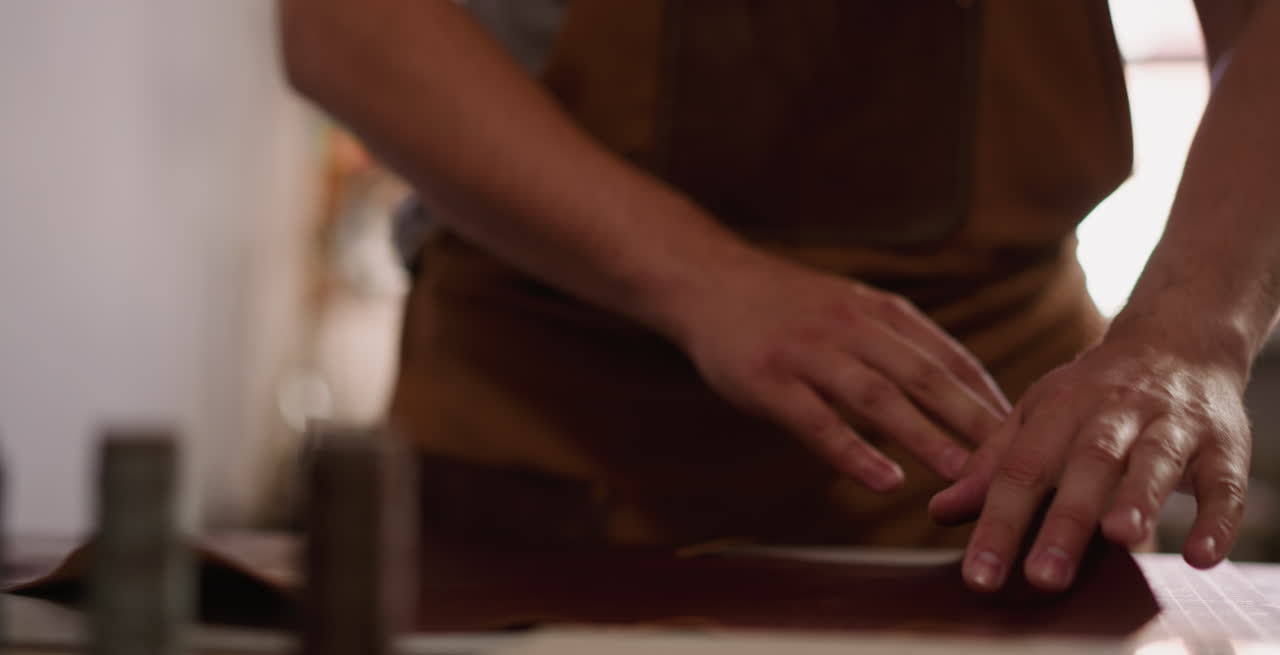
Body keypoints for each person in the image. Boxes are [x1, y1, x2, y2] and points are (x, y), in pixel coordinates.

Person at [278, 0, 1280, 593]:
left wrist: (1190, 330)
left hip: (990, 468)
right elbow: (341, 23)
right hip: (544, 454)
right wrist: (699, 277)